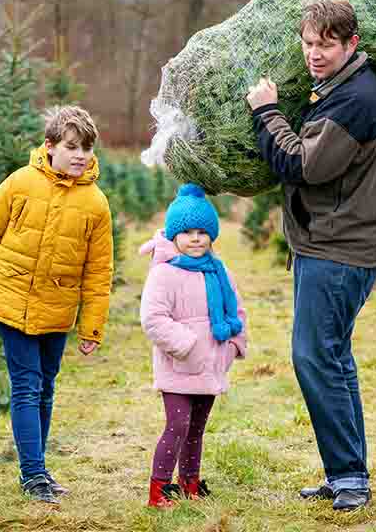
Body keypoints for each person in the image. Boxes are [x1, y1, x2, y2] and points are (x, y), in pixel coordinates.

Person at [245, 0, 376, 512]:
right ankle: (347, 473)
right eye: (308, 43)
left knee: (313, 357)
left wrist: (265, 111)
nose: (314, 53)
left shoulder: (356, 100)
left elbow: (303, 165)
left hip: (338, 249)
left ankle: (350, 478)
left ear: (351, 43)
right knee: (333, 357)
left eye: (326, 45)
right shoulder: (341, 88)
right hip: (332, 243)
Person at [0, 105, 114, 504]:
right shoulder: (19, 183)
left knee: (45, 388)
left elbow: (99, 271)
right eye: (71, 147)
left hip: (58, 309)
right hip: (13, 301)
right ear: (50, 146)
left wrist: (92, 327)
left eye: (86, 149)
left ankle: (38, 468)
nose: (80, 156)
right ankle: (33, 475)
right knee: (27, 386)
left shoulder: (96, 204)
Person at [139, 183, 247, 509]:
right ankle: (158, 491)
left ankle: (190, 483)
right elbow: (153, 319)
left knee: (197, 429)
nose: (196, 239)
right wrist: (188, 344)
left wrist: (232, 347)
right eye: (187, 232)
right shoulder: (164, 274)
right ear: (174, 235)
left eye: (202, 232)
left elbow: (237, 312)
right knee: (178, 425)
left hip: (211, 366)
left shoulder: (220, 271)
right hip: (179, 365)